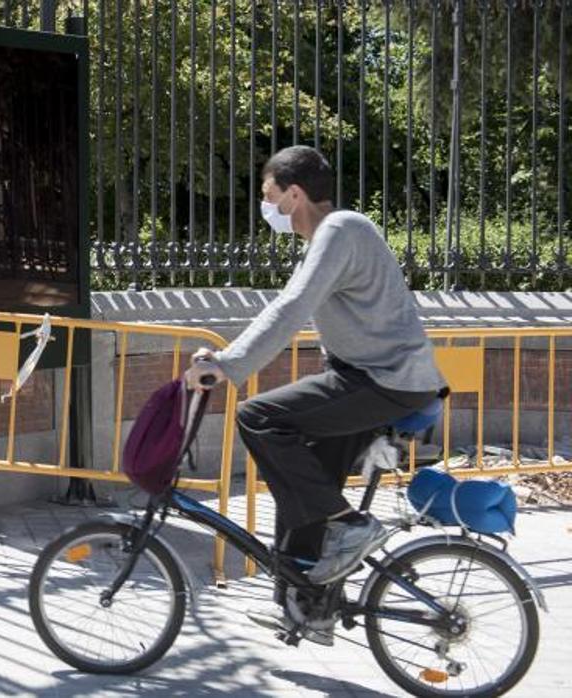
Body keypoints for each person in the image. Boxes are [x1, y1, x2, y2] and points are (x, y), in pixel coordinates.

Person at [183, 146, 447, 643]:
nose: (266, 207)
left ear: (294, 195)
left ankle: (350, 526)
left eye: (269, 196)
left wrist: (228, 366)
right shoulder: (337, 235)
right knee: (301, 487)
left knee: (259, 417)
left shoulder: (340, 230)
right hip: (375, 379)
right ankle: (308, 610)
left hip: (386, 381)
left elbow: (292, 306)